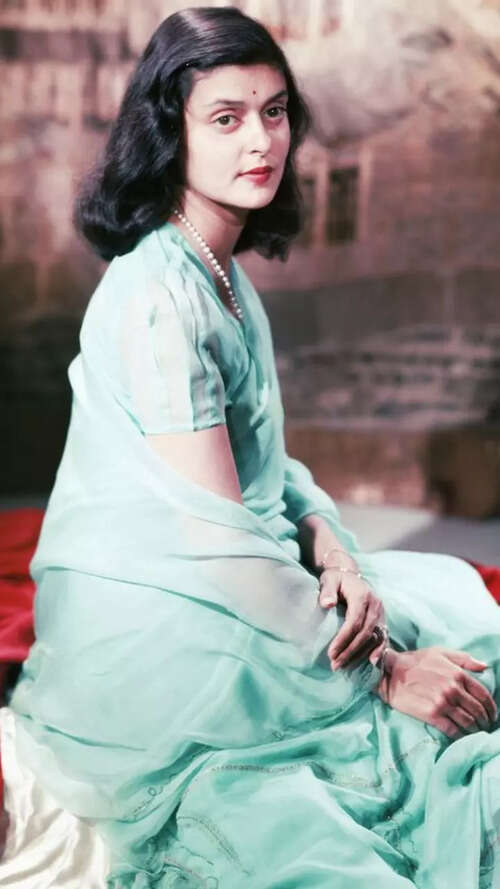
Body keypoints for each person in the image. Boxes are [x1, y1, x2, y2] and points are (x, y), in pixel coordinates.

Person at [6, 7, 500, 888]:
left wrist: (332, 545)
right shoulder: (162, 298)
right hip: (171, 611)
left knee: (447, 610)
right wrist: (385, 673)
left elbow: (262, 466)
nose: (261, 141)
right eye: (226, 118)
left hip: (227, 554)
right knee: (405, 724)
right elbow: (219, 539)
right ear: (172, 135)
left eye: (274, 112)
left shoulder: (220, 269)